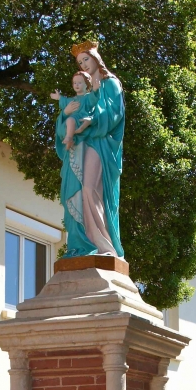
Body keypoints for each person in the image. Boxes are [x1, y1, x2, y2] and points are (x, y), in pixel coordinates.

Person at [50, 41, 125, 257]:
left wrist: (92, 120)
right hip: (77, 146)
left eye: (86, 59)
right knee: (72, 193)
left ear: (95, 58)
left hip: (98, 144)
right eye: (80, 62)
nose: (84, 64)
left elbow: (114, 114)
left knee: (90, 189)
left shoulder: (110, 83)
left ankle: (103, 246)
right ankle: (80, 246)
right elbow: (63, 123)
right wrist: (66, 114)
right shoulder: (80, 92)